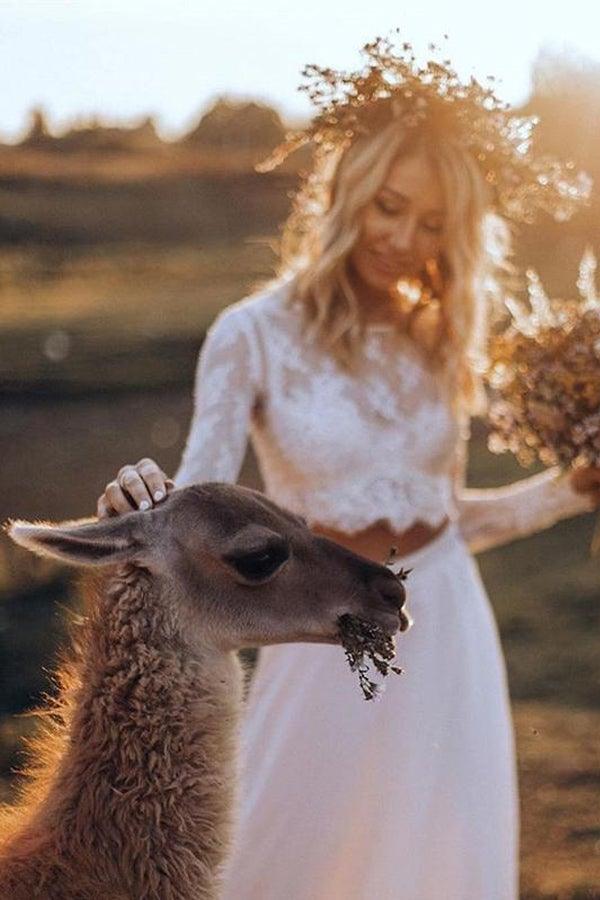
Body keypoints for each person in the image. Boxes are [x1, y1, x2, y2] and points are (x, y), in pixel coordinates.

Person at [96, 36, 600, 900]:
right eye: (388, 206)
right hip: (321, 628)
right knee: (285, 857)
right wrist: (139, 507)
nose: (404, 237)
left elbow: (446, 517)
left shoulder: (443, 336)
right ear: (343, 194)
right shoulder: (250, 334)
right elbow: (202, 513)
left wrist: (569, 490)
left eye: (434, 223)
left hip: (445, 622)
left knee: (445, 861)